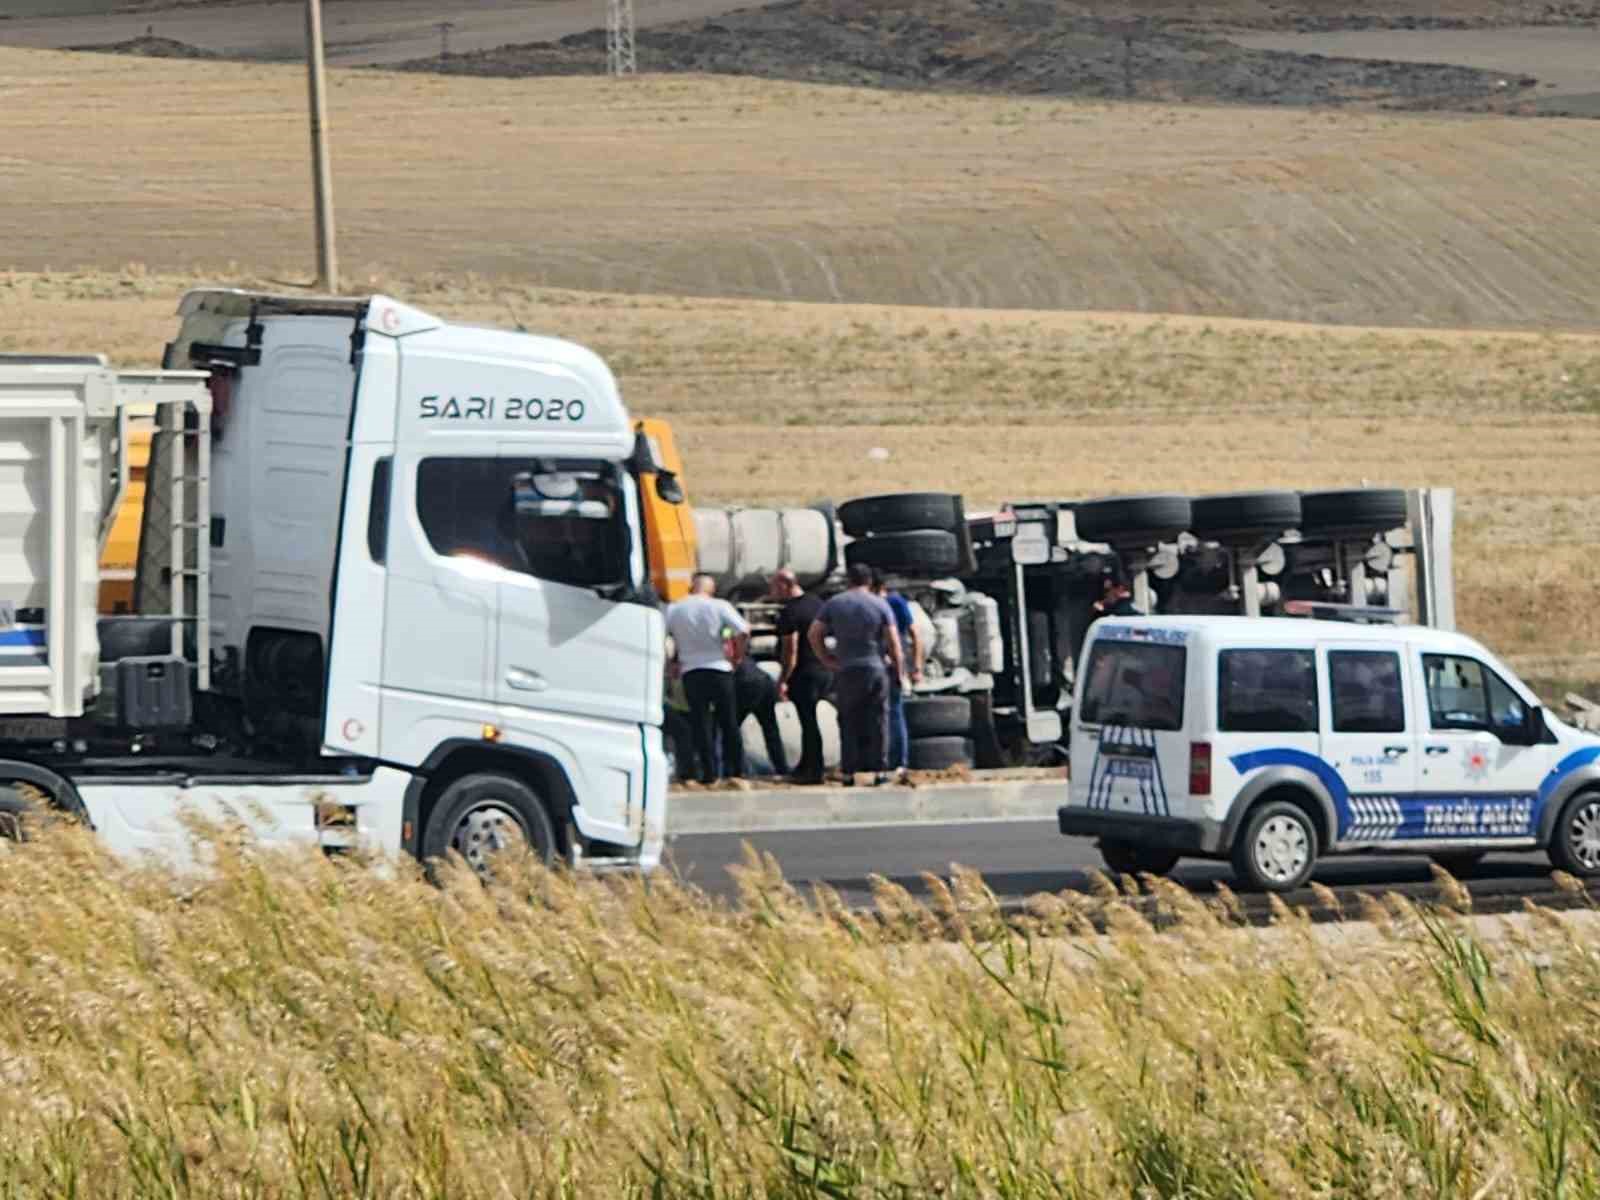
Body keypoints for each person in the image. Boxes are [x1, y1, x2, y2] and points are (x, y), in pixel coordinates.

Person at [809, 563, 906, 787]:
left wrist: (826, 658)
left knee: (848, 719)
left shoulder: (835, 603)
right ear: (869, 581)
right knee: (879, 720)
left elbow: (814, 633)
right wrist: (900, 672)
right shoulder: (880, 604)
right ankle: (880, 770)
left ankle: (849, 772)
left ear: (848, 580)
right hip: (875, 667)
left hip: (847, 669)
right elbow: (893, 643)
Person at [665, 573, 749, 783]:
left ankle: (708, 774)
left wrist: (672, 663)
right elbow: (743, 630)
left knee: (700, 724)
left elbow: (665, 637)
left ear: (691, 587)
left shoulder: (675, 609)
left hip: (691, 671)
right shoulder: (719, 606)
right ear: (710, 589)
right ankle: (735, 772)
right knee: (728, 722)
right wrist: (737, 656)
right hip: (720, 668)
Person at [772, 567, 831, 784]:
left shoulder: (790, 612)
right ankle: (807, 764)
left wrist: (783, 679)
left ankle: (813, 770)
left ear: (784, 585)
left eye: (774, 586)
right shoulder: (816, 603)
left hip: (803, 673)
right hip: (821, 669)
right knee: (810, 721)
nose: (773, 591)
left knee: (808, 722)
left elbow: (791, 650)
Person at [871, 572, 924, 780]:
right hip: (889, 662)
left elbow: (914, 633)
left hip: (889, 663)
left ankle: (895, 760)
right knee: (892, 712)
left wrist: (916, 665)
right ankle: (895, 761)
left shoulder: (892, 602)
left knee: (892, 712)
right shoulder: (891, 602)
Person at [733, 655, 790, 778]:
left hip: (745, 686)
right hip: (764, 683)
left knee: (731, 731)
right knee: (771, 731)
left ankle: (736, 770)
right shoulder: (740, 654)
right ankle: (782, 769)